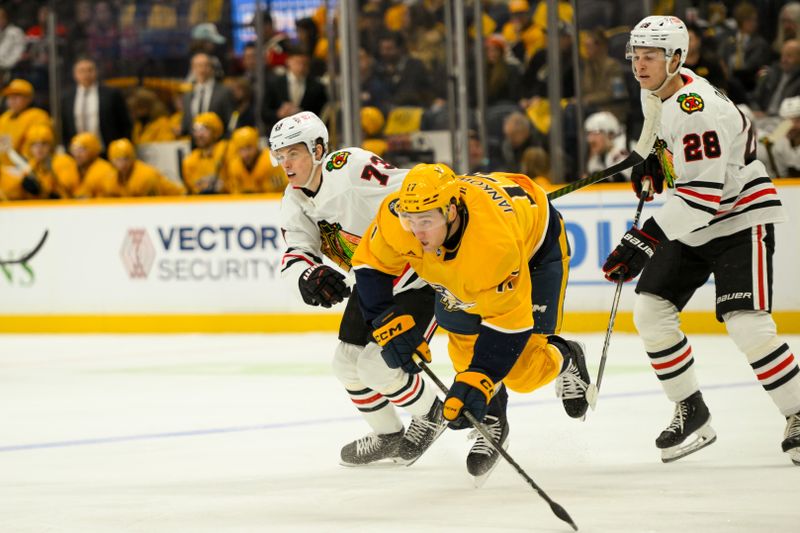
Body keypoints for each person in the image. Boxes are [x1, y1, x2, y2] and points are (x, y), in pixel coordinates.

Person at [602, 15, 800, 466]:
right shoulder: (658, 86)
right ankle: (691, 410)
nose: (639, 64)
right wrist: (648, 157)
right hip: (695, 220)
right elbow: (654, 125)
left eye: (650, 55)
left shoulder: (697, 108)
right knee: (651, 312)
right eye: (635, 54)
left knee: (746, 324)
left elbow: (701, 198)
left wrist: (642, 241)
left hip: (738, 218)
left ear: (676, 57)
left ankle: (799, 413)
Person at [351, 163, 591, 483]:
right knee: (465, 351)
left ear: (451, 212)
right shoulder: (400, 218)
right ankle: (492, 419)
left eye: (426, 221)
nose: (416, 232)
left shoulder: (493, 247)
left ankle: (567, 355)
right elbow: (370, 264)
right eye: (410, 221)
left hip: (535, 249)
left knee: (522, 374)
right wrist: (383, 317)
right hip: (474, 249)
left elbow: (507, 324)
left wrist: (482, 377)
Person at [270, 111, 446, 467]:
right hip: (371, 280)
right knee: (346, 364)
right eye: (280, 155)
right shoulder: (294, 201)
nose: (286, 163)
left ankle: (432, 414)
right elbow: (296, 254)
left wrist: (467, 194)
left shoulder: (348, 167)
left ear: (318, 148)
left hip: (416, 277)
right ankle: (388, 434)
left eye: (294, 152)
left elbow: (413, 186)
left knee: (376, 367)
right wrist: (309, 277)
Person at [0, 124, 79, 200]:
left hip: (67, 208)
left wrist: (50, 187)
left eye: (44, 143)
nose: (39, 148)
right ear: (29, 147)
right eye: (34, 144)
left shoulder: (62, 161)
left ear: (50, 145)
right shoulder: (32, 165)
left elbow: (70, 188)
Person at [225, 126, 286, 194]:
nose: (245, 154)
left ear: (256, 145)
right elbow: (235, 193)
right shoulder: (234, 165)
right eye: (241, 149)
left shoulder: (271, 160)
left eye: (249, 147)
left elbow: (280, 192)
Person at [181, 112, 229, 194]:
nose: (199, 134)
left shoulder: (227, 150)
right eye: (196, 130)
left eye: (204, 129)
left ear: (215, 131)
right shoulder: (189, 160)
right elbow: (192, 189)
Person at [584, 111, 630, 182]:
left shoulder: (625, 147)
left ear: (610, 135)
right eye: (589, 133)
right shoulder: (599, 155)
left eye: (596, 133)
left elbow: (620, 180)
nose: (590, 139)